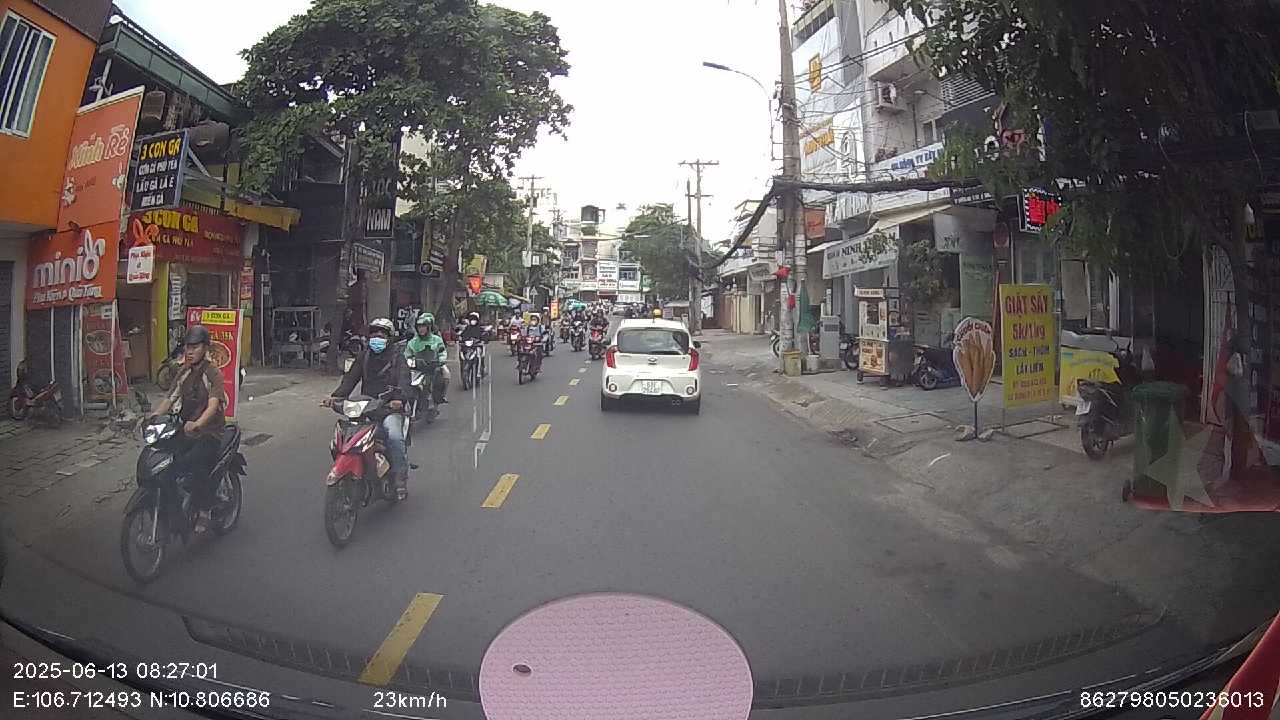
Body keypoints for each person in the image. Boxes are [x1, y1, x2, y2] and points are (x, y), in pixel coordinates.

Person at [148, 325, 227, 534]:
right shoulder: (184, 371)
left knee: (194, 463)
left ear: (205, 348)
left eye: (195, 347)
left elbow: (213, 405)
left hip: (209, 432)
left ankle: (204, 509)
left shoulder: (212, 372)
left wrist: (199, 423)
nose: (189, 351)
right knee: (165, 461)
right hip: (185, 430)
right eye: (187, 347)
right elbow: (170, 398)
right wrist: (152, 418)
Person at [325, 318, 412, 500]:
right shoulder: (364, 356)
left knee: (394, 436)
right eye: (374, 333)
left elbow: (405, 380)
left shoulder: (398, 358)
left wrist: (398, 399)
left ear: (389, 337)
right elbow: (350, 379)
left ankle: (399, 476)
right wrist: (335, 397)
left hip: (389, 409)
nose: (377, 337)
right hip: (365, 408)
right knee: (345, 437)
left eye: (382, 334)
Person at [404, 311, 449, 404]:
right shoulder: (412, 342)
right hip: (417, 368)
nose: (421, 329)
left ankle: (441, 396)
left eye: (423, 326)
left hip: (433, 366)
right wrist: (409, 361)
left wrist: (441, 360)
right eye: (419, 326)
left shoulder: (437, 340)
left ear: (429, 327)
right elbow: (407, 354)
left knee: (446, 374)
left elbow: (442, 352)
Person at [458, 311, 488, 376]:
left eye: (474, 320)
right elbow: (462, 336)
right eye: (471, 320)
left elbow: (484, 336)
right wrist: (461, 341)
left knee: (479, 355)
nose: (473, 321)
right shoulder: (467, 329)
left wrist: (483, 341)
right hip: (468, 347)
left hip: (477, 346)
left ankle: (479, 371)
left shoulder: (480, 329)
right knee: (462, 355)